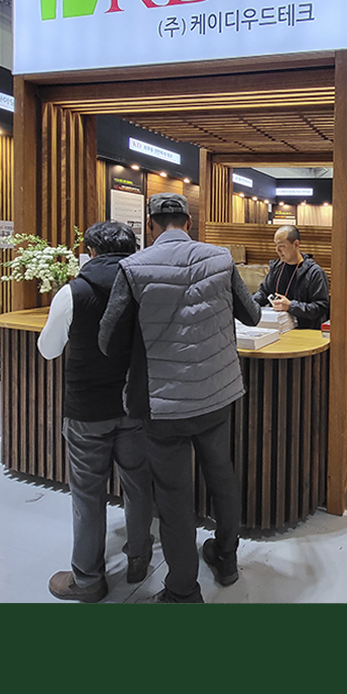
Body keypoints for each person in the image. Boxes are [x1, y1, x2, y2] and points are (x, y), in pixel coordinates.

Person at [99, 193, 261, 603]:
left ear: (150, 224)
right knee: (222, 476)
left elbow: (108, 339)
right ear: (189, 222)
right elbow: (252, 314)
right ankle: (226, 558)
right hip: (217, 394)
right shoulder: (220, 259)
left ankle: (183, 590)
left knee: (173, 496)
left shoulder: (133, 267)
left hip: (163, 403)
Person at [37, 220, 154, 603]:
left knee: (87, 495)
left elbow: (49, 350)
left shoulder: (73, 291)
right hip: (134, 405)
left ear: (90, 251)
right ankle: (139, 558)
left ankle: (87, 579)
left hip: (87, 410)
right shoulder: (145, 287)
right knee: (138, 484)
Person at [253, 225, 330, 329]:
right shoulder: (276, 268)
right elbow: (263, 293)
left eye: (282, 246)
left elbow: (321, 307)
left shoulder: (314, 273)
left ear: (296, 244)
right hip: (277, 328)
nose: (277, 250)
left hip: (304, 330)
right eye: (276, 245)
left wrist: (290, 306)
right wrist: (250, 305)